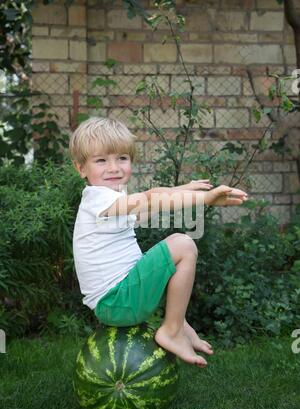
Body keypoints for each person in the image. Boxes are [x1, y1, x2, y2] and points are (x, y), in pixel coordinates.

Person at [70, 116, 248, 367]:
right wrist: (205, 199)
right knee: (183, 244)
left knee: (171, 252)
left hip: (118, 300)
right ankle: (171, 330)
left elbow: (151, 207)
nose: (114, 167)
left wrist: (184, 189)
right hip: (117, 300)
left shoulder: (110, 198)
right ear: (81, 168)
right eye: (101, 160)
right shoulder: (97, 199)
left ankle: (179, 323)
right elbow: (152, 199)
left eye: (122, 158)